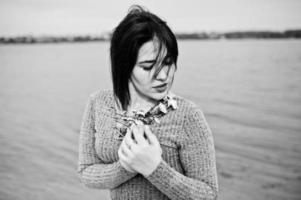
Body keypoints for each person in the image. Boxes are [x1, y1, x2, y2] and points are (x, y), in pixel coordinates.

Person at [78, 5, 218, 200]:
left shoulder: (188, 115)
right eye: (148, 66)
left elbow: (208, 194)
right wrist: (126, 167)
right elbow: (86, 172)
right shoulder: (98, 103)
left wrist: (155, 169)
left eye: (168, 62)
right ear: (124, 65)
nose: (163, 76)